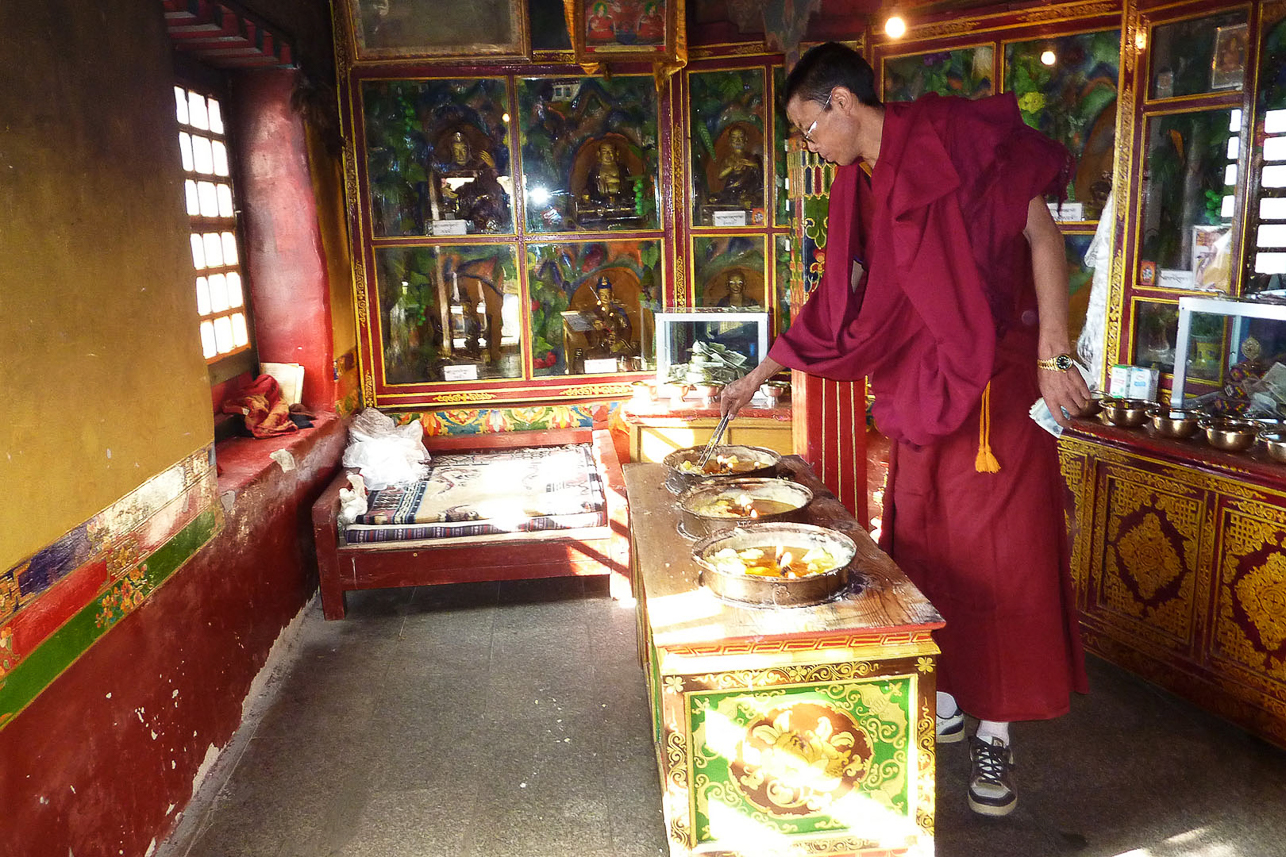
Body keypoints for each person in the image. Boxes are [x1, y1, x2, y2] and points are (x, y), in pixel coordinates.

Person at [720, 42, 1091, 818]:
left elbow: (1044, 237)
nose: (809, 145)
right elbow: (836, 304)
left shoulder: (957, 135)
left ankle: (997, 727)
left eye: (807, 127)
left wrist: (1058, 351)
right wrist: (760, 373)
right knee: (925, 541)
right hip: (924, 388)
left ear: (844, 103)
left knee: (1006, 552)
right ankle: (950, 690)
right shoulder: (859, 185)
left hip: (996, 384)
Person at [714, 125, 764, 209]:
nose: (737, 140)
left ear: (746, 139)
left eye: (740, 137)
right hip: (731, 191)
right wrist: (732, 168)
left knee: (750, 199)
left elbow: (761, 172)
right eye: (734, 137)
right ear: (730, 140)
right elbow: (720, 176)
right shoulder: (728, 159)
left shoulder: (752, 157)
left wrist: (750, 164)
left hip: (748, 190)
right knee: (714, 199)